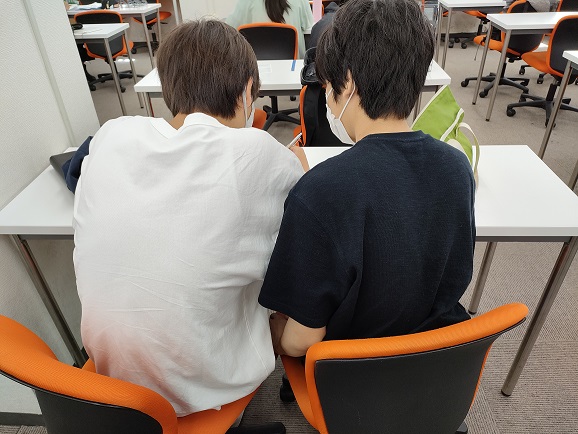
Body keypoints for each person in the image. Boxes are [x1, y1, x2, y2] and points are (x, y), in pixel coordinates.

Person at [73, 19, 306, 416]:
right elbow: (302, 224)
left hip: (112, 378)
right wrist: (295, 165)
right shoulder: (260, 153)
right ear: (248, 90)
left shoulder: (112, 135)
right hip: (203, 386)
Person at [259, 0, 476, 357]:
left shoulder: (319, 192)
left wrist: (267, 332)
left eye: (327, 86)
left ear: (347, 83)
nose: (327, 100)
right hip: (433, 365)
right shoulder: (457, 168)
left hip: (349, 375)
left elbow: (299, 343)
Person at [227, 0, 313, 58]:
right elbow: (308, 24)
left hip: (255, 68)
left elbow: (230, 27)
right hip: (293, 68)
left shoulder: (245, 2)